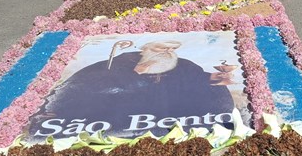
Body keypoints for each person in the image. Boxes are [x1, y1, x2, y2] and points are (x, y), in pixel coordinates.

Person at [27, 41, 235, 139]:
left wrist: (221, 76)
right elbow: (73, 92)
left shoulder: (184, 67)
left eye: (169, 49)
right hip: (117, 125)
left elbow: (206, 82)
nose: (168, 51)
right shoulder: (109, 70)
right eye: (162, 49)